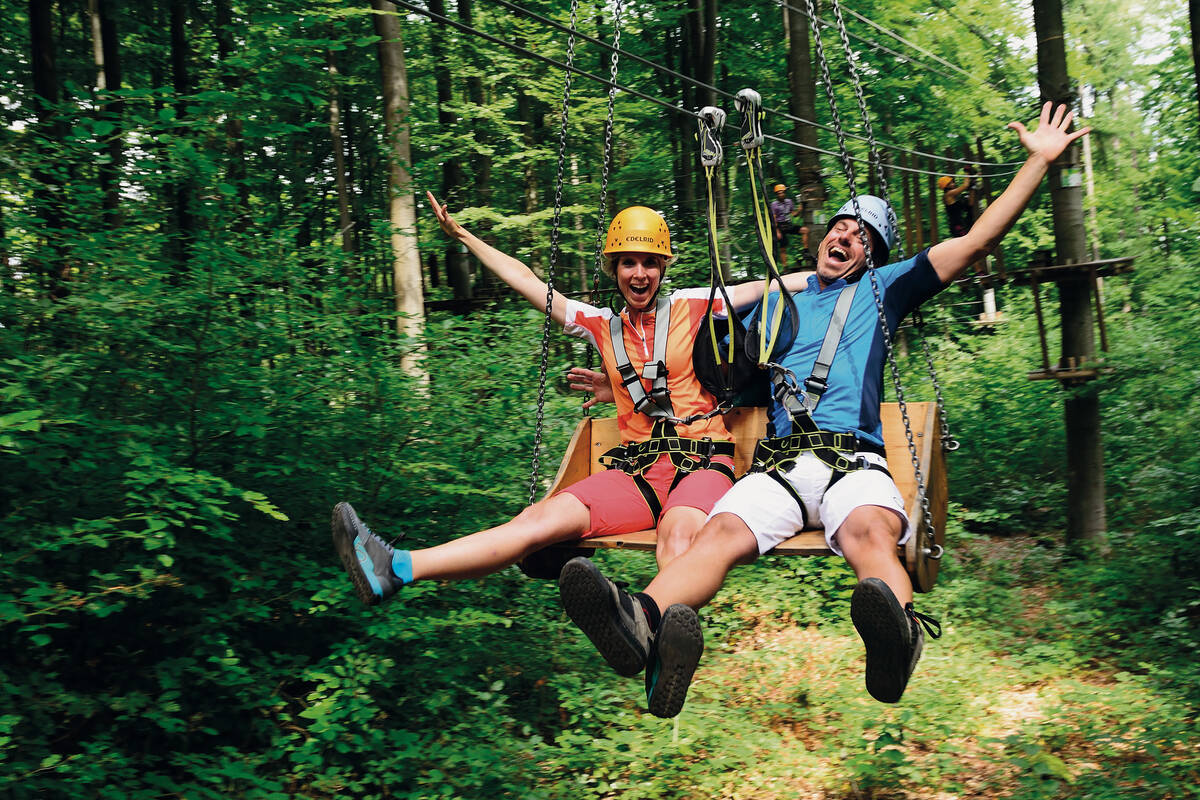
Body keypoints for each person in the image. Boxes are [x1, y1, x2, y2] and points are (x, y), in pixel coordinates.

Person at [558, 102, 1091, 718]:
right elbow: (719, 375)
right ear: (823, 235)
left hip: (853, 460)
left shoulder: (885, 289)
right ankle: (640, 621)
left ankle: (896, 630)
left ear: (874, 254)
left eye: (862, 236)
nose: (845, 237)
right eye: (840, 227)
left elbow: (976, 241)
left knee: (869, 534)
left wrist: (1037, 162)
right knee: (720, 533)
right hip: (779, 467)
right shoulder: (780, 300)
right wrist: (620, 385)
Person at [331, 195, 811, 651]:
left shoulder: (692, 303)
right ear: (614, 270)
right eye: (628, 263)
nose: (639, 273)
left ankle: (657, 643)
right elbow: (531, 284)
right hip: (639, 472)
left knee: (677, 534)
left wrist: (832, 273)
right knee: (538, 521)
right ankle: (393, 567)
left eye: (649, 263)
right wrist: (464, 236)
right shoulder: (600, 324)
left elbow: (775, 284)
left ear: (663, 268)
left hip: (703, 463)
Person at [769, 183, 801, 267]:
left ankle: (805, 251)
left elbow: (794, 214)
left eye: (782, 192)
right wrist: (777, 231)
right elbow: (774, 218)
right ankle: (785, 267)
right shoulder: (774, 204)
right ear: (776, 195)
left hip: (788, 224)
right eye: (779, 193)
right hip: (780, 226)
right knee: (783, 247)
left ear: (784, 193)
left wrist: (800, 209)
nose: (781, 194)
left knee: (805, 230)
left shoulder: (789, 202)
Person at [939, 167, 976, 237]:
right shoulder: (948, 195)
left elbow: (970, 204)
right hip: (957, 226)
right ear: (946, 186)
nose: (953, 184)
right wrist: (966, 171)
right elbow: (965, 185)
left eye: (952, 182)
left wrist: (972, 188)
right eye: (950, 183)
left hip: (963, 223)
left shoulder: (955, 198)